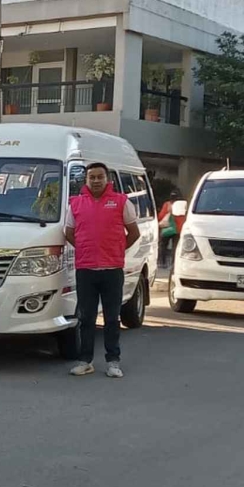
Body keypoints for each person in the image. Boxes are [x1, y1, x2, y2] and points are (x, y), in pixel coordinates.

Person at [64, 162, 142, 379]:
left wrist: (117, 250)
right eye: (92, 177)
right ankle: (85, 361)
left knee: (111, 318)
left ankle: (113, 361)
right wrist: (83, 249)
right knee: (87, 318)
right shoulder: (76, 204)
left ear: (108, 180)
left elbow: (134, 232)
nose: (96, 181)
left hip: (112, 269)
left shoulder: (120, 202)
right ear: (86, 180)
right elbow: (68, 232)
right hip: (86, 270)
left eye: (100, 177)